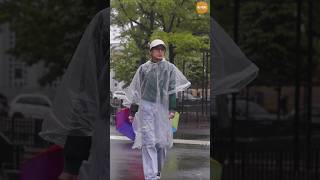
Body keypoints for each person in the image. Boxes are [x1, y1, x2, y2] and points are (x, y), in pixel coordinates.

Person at [125, 39, 191, 180]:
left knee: (161, 142)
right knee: (148, 140)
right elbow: (138, 91)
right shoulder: (143, 69)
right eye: (157, 49)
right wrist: (132, 111)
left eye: (162, 49)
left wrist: (172, 108)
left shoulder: (170, 68)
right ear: (151, 51)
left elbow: (172, 90)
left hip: (162, 107)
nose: (160, 51)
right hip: (146, 106)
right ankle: (151, 176)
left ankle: (158, 171)